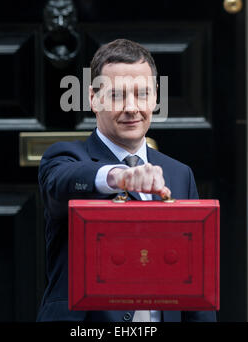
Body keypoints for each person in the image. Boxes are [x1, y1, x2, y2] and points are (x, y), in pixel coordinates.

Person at [36, 38, 216, 323]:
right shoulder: (65, 158)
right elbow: (61, 184)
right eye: (117, 95)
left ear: (155, 97)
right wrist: (119, 177)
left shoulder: (180, 174)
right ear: (93, 98)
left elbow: (196, 284)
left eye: (141, 94)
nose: (131, 107)